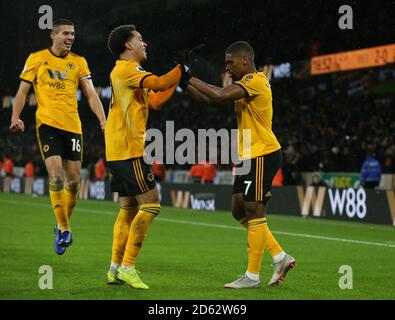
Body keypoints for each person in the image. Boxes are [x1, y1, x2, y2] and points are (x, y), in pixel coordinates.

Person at [181, 41, 296, 288]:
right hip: (248, 155)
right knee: (238, 210)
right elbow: (212, 101)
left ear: (245, 60)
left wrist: (189, 76)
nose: (227, 67)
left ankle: (252, 277)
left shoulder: (255, 80)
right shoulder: (245, 84)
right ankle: (280, 256)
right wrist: (184, 83)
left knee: (254, 209)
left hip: (263, 153)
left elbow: (219, 95)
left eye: (230, 62)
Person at [9, 19, 106, 255]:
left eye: (73, 33)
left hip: (73, 126)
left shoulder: (79, 62)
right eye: (65, 33)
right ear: (53, 36)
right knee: (56, 175)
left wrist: (103, 120)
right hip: (48, 125)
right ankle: (64, 229)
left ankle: (61, 225)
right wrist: (15, 116)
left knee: (73, 181)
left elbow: (91, 94)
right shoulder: (36, 58)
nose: (70, 37)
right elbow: (23, 91)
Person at [105, 25, 182, 289]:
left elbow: (157, 98)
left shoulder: (124, 74)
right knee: (151, 204)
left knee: (128, 209)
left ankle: (114, 269)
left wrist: (177, 79)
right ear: (128, 46)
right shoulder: (128, 69)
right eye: (139, 39)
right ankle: (128, 266)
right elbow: (160, 82)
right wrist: (181, 70)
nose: (144, 43)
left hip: (117, 150)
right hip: (129, 149)